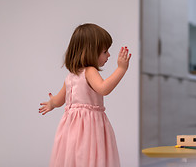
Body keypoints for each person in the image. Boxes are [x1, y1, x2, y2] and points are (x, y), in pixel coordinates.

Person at [39, 23, 131, 167]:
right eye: (105, 51)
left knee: (74, 158)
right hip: (90, 128)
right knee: (91, 158)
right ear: (91, 51)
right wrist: (121, 69)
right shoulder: (90, 71)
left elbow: (59, 99)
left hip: (71, 130)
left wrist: (52, 103)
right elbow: (103, 88)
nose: (109, 55)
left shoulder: (71, 76)